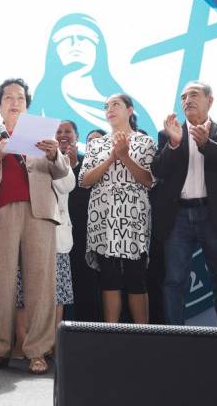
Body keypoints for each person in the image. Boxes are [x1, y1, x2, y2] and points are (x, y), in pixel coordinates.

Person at [0, 78, 69, 375]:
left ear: (27, 105)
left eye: (20, 97)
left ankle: (38, 351)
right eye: (8, 97)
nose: (15, 102)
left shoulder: (42, 135)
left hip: (39, 213)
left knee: (41, 285)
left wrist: (54, 154)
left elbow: (61, 172)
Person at [151, 81, 217, 327]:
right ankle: (175, 341)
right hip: (178, 217)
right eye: (183, 97)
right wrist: (173, 144)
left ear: (209, 100)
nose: (187, 100)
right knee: (174, 282)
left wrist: (206, 144)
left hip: (214, 215)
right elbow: (158, 170)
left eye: (193, 95)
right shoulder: (168, 134)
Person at [79, 94, 156, 325]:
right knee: (109, 278)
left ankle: (143, 334)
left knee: (136, 277)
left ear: (130, 110)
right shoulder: (96, 144)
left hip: (133, 217)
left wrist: (124, 156)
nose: (110, 109)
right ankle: (110, 334)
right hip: (103, 216)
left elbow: (149, 181)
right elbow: (84, 181)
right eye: (106, 106)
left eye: (116, 105)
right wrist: (112, 157)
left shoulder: (146, 142)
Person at [29, 14, 156, 147]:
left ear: (98, 48)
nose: (74, 44)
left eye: (83, 38)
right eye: (65, 39)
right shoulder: (42, 99)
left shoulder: (126, 105)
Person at [13, 121, 77, 357]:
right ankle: (21, 341)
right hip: (28, 230)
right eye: (58, 132)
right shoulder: (32, 158)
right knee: (22, 292)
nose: (62, 135)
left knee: (57, 293)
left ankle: (52, 343)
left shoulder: (61, 161)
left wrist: (57, 159)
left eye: (67, 132)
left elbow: (66, 186)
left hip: (57, 236)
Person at [66, 128, 105, 321]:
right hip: (69, 232)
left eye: (98, 141)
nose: (93, 145)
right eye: (90, 141)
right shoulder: (70, 162)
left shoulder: (110, 165)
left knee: (92, 283)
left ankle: (92, 327)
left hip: (96, 234)